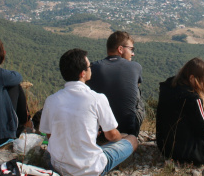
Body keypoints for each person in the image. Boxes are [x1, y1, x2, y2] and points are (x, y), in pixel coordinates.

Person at [40, 48, 138, 176]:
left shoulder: (51, 100)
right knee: (132, 139)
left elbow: (49, 135)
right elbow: (111, 136)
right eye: (89, 66)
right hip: (91, 169)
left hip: (58, 167)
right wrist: (121, 137)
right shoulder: (97, 98)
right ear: (82, 73)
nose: (91, 68)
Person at [87, 31, 144, 136]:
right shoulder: (135, 67)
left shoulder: (92, 67)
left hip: (100, 129)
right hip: (128, 130)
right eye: (131, 49)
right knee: (137, 91)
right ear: (120, 49)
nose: (133, 53)